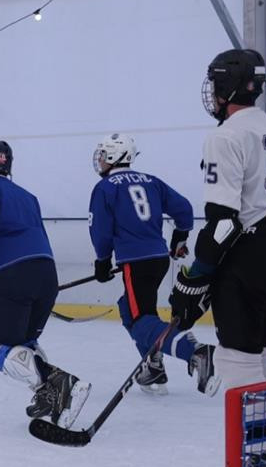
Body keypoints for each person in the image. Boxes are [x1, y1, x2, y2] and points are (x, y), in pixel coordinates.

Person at [168, 49, 266, 467]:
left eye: (215, 85)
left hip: (246, 256)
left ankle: (264, 461)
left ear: (228, 87)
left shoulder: (226, 135)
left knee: (237, 361)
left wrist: (197, 276)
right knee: (261, 355)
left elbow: (224, 220)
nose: (211, 95)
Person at [0, 140, 91, 428]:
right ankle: (50, 395)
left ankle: (58, 383)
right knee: (24, 344)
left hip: (12, 275)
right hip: (47, 276)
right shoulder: (28, 196)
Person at [88, 132, 217, 396]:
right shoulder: (151, 181)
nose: (99, 160)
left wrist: (102, 261)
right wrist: (180, 236)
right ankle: (153, 365)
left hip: (136, 262)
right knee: (129, 308)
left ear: (114, 155)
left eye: (103, 154)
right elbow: (183, 209)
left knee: (140, 320)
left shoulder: (105, 188)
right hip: (157, 259)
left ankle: (196, 352)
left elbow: (100, 230)